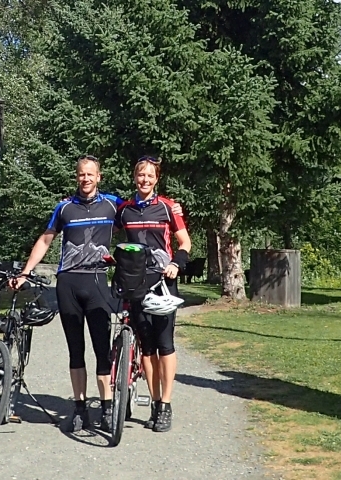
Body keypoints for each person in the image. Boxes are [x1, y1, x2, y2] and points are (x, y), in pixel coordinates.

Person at [11, 155, 119, 432]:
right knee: (75, 350)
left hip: (97, 283)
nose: (86, 179)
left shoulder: (112, 205)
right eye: (82, 174)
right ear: (77, 177)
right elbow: (46, 239)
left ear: (99, 177)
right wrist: (24, 272)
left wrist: (172, 206)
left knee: (101, 349)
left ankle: (107, 408)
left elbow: (142, 213)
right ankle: (80, 409)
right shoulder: (64, 208)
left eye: (90, 174)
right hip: (68, 283)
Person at [115, 155, 192, 433]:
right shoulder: (124, 210)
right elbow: (102, 222)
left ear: (156, 178)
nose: (144, 180)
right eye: (140, 175)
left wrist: (176, 264)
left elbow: (185, 242)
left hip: (163, 281)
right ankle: (156, 403)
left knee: (165, 343)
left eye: (150, 175)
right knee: (146, 347)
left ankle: (167, 404)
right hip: (136, 283)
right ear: (134, 178)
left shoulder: (169, 207)